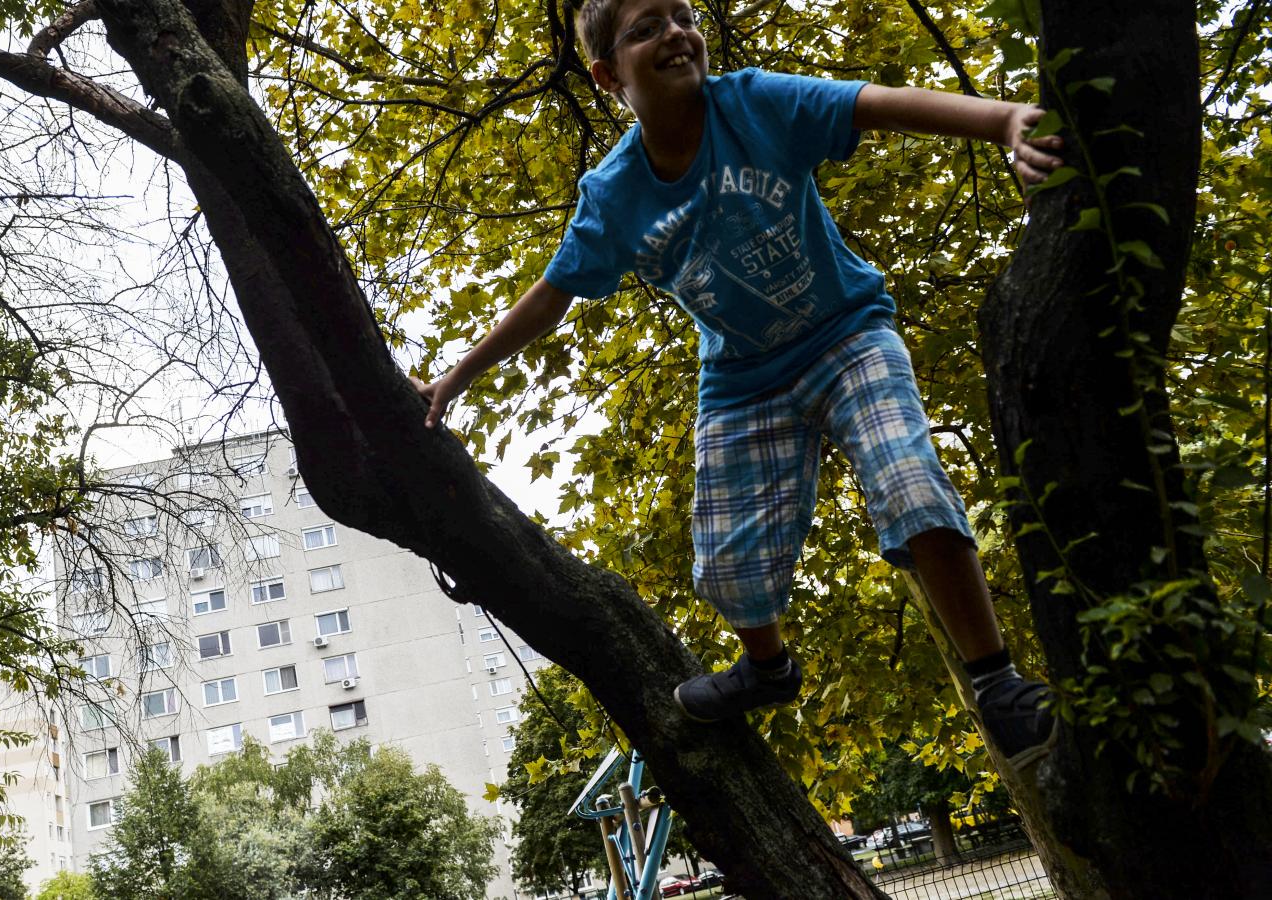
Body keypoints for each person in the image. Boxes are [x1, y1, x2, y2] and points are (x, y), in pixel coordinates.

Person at [414, 0, 1059, 771]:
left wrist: (1005, 121)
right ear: (606, 74)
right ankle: (766, 667)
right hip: (744, 376)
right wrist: (457, 374)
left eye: (684, 14)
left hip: (847, 334)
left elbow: (875, 104)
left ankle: (998, 684)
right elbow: (550, 297)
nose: (677, 32)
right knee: (723, 565)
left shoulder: (754, 102)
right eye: (646, 27)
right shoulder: (613, 194)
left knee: (911, 484)